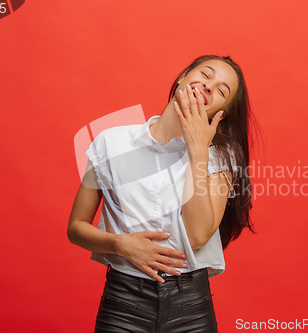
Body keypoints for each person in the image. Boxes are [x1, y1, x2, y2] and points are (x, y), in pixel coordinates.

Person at [67, 55, 258, 332]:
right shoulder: (111, 142)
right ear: (183, 77)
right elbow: (76, 228)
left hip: (191, 306)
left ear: (221, 113)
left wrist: (197, 150)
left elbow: (197, 235)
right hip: (123, 301)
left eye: (221, 90)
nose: (208, 86)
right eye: (206, 74)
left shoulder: (221, 156)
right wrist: (122, 245)